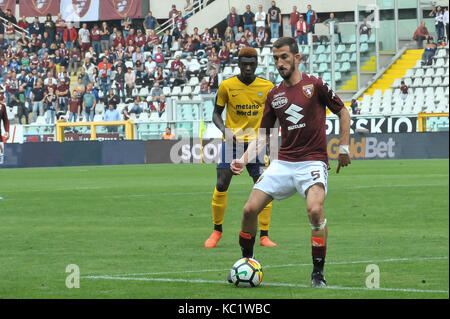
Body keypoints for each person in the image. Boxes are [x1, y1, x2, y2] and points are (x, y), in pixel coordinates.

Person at [229, 37, 351, 288]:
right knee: (249, 210)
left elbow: (343, 111)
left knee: (315, 211)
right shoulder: (274, 94)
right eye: (275, 58)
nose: (279, 63)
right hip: (284, 163)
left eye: (284, 57)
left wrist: (344, 147)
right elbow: (263, 137)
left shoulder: (315, 85)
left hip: (312, 162)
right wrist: (242, 159)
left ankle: (318, 273)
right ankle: (246, 262)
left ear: (297, 58)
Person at [204, 47, 277, 249]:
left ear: (256, 64)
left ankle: (264, 235)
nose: (247, 67)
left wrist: (269, 136)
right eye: (244, 64)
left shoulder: (268, 86)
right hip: (233, 142)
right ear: (238, 64)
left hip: (257, 144)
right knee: (222, 181)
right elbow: (216, 115)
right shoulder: (227, 86)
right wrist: (225, 131)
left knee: (264, 185)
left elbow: (273, 115)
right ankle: (217, 230)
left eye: (251, 64)